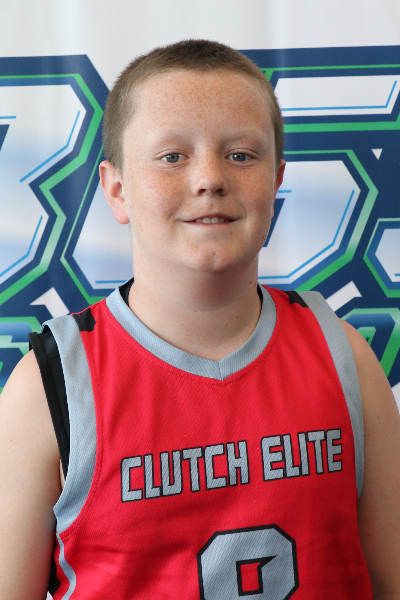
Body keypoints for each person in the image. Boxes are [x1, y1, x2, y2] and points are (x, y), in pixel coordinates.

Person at [0, 39, 399, 600]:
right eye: (172, 156)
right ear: (116, 189)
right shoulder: (49, 386)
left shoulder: (343, 354)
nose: (210, 178)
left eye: (241, 155)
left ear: (277, 179)